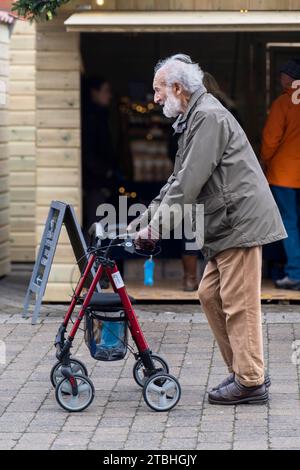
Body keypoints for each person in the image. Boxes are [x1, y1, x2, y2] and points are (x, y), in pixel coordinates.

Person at [129, 53, 287, 405]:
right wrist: (143, 221)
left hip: (238, 222)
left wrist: (155, 230)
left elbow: (188, 183)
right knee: (210, 294)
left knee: (239, 304)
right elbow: (176, 179)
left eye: (158, 91)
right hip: (226, 224)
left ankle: (249, 380)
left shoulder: (208, 116)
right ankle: (247, 371)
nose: (154, 99)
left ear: (177, 87)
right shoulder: (195, 116)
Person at [261, 59, 300, 291]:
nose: (279, 79)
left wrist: (265, 161)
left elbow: (270, 140)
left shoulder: (283, 102)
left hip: (285, 174)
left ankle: (295, 273)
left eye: (281, 75)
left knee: (290, 222)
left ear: (289, 78)